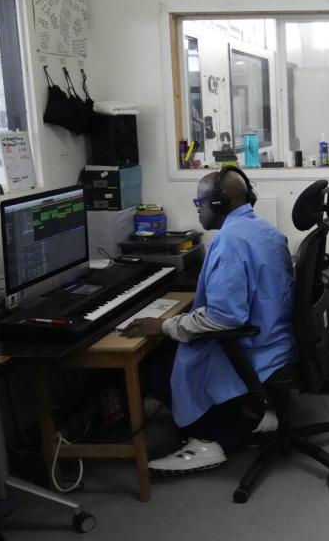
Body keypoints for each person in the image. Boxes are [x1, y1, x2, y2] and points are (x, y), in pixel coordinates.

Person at [123, 168, 296, 473]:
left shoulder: (230, 242)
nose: (198, 210)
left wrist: (165, 325)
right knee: (175, 349)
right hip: (276, 338)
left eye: (199, 202)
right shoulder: (265, 230)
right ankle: (254, 417)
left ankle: (211, 440)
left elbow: (224, 316)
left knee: (155, 367)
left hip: (253, 346)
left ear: (217, 204)